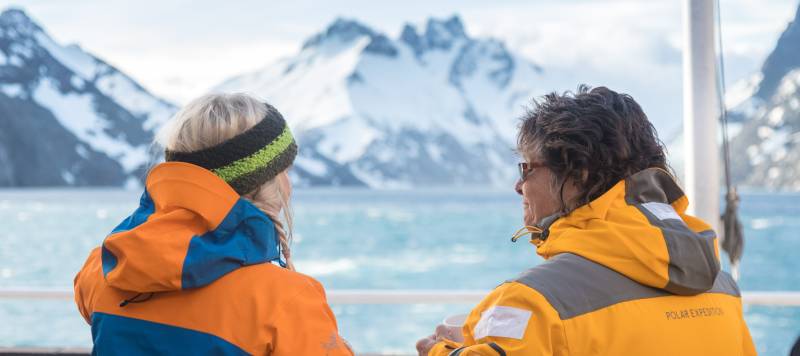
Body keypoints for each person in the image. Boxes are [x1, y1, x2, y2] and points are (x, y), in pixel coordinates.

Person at [417, 86, 756, 355]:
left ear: (577, 175)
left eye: (527, 168)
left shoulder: (532, 303)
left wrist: (446, 352)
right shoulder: (722, 289)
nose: (518, 186)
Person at [74, 93, 352, 355]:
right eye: (284, 172)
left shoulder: (103, 268)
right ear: (265, 185)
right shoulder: (287, 300)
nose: (289, 185)